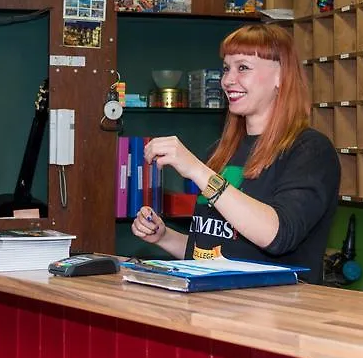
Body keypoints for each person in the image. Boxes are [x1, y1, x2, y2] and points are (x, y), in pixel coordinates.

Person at [131, 23, 340, 282]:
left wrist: (197, 171)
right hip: (217, 306)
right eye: (226, 68)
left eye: (243, 68)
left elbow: (277, 236)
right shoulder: (223, 151)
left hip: (275, 314)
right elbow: (215, 250)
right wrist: (164, 237)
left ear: (281, 77)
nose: (228, 80)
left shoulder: (310, 150)